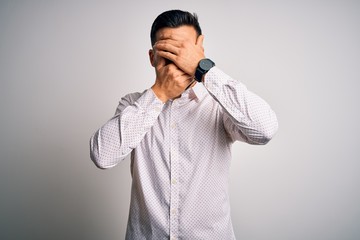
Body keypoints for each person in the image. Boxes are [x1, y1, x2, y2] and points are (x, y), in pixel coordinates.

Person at [90, 9, 278, 240]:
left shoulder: (219, 105)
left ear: (199, 51)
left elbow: (265, 130)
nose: (177, 63)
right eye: (168, 53)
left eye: (184, 53)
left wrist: (205, 69)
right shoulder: (133, 104)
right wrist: (159, 93)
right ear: (152, 58)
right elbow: (102, 156)